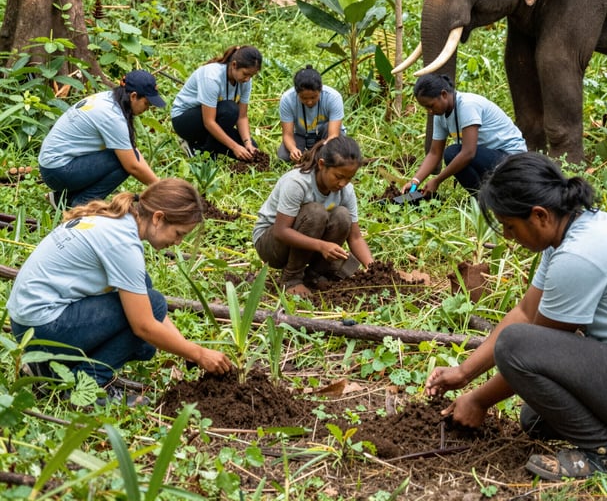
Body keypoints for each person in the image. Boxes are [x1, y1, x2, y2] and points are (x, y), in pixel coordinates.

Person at [425, 152, 607, 481]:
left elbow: (529, 347)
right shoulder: (571, 230)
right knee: (535, 419)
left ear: (539, 215)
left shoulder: (578, 255)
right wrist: (463, 372)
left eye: (511, 227)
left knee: (516, 346)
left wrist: (477, 400)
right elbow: (526, 312)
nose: (509, 237)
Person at [8, 178, 232, 405]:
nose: (178, 242)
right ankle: (88, 386)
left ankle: (47, 369)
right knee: (150, 312)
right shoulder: (122, 243)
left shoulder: (117, 222)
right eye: (178, 233)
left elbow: (147, 302)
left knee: (146, 332)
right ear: (158, 218)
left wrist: (186, 350)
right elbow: (144, 324)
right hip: (43, 326)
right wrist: (198, 353)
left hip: (27, 324)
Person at [253, 136, 374, 297]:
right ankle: (291, 279)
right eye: (338, 177)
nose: (343, 183)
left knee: (343, 216)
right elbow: (281, 231)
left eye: (349, 178)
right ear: (322, 164)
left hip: (307, 240)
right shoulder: (297, 183)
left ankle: (315, 275)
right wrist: (321, 246)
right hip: (271, 245)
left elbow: (355, 237)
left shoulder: (346, 190)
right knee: (315, 213)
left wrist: (373, 268)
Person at [39, 70, 164, 208]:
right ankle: (81, 205)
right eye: (147, 103)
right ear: (134, 96)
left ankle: (63, 199)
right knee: (122, 163)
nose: (148, 108)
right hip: (58, 170)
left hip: (53, 164)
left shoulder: (109, 98)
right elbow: (133, 165)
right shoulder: (112, 117)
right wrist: (161, 189)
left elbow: (131, 151)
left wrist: (158, 182)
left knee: (124, 157)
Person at [405, 74, 527, 197]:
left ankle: (489, 198)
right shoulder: (440, 115)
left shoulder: (467, 105)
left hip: (513, 159)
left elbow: (468, 153)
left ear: (443, 94)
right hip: (489, 157)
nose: (429, 111)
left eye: (431, 106)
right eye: (426, 108)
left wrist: (437, 180)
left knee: (452, 153)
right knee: (453, 154)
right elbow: (434, 153)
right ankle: (484, 198)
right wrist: (415, 182)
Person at [171, 45, 262, 160]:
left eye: (251, 75)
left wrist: (247, 143)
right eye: (245, 74)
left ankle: (206, 144)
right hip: (185, 121)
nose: (248, 79)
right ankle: (202, 150)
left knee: (252, 152)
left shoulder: (245, 81)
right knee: (230, 110)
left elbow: (242, 117)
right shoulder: (212, 77)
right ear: (234, 65)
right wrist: (234, 147)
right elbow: (209, 122)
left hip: (211, 120)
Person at [278, 66, 345, 163]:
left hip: (326, 136)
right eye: (304, 98)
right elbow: (287, 135)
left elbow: (333, 135)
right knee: (284, 156)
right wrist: (293, 149)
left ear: (320, 90)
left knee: (333, 154)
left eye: (314, 97)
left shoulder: (333, 97)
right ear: (296, 92)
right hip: (302, 135)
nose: (309, 102)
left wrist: (318, 152)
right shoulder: (287, 99)